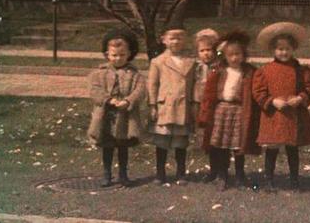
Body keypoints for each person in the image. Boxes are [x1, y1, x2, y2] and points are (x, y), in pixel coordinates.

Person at [252, 22, 310, 191]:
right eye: (280, 49)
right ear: (273, 50)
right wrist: (272, 101)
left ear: (293, 49)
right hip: (274, 116)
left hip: (293, 116)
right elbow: (258, 92)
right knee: (272, 149)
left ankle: (294, 181)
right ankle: (269, 181)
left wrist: (300, 98)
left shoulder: (301, 70)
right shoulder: (265, 71)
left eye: (287, 49)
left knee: (292, 148)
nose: (284, 52)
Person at [198, 30, 261, 190]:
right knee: (221, 145)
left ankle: (240, 176)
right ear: (224, 56)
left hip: (239, 111)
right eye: (230, 55)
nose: (234, 58)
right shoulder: (219, 71)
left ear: (243, 54)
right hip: (222, 111)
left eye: (238, 54)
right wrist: (205, 114)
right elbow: (209, 94)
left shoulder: (249, 72)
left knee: (238, 145)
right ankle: (222, 175)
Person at [87, 29, 145, 187]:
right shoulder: (99, 73)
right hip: (106, 115)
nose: (118, 58)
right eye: (114, 55)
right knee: (107, 146)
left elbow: (140, 91)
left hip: (125, 115)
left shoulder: (135, 74)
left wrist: (128, 100)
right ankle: (107, 174)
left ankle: (123, 174)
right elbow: (94, 90)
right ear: (107, 54)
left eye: (122, 55)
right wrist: (109, 100)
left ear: (129, 54)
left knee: (122, 146)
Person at [147, 13, 198, 185]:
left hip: (183, 107)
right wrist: (152, 105)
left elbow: (195, 84)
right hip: (165, 107)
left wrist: (194, 104)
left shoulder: (191, 61)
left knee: (180, 142)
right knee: (162, 141)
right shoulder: (158, 61)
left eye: (180, 38)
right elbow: (152, 85)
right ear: (164, 40)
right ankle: (160, 173)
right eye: (172, 38)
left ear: (185, 40)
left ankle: (181, 173)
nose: (176, 41)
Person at [193, 28, 220, 180]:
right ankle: (213, 170)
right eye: (202, 50)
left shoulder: (219, 67)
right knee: (206, 138)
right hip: (201, 106)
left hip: (216, 106)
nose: (206, 54)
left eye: (209, 50)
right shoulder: (197, 67)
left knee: (217, 138)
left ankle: (220, 169)